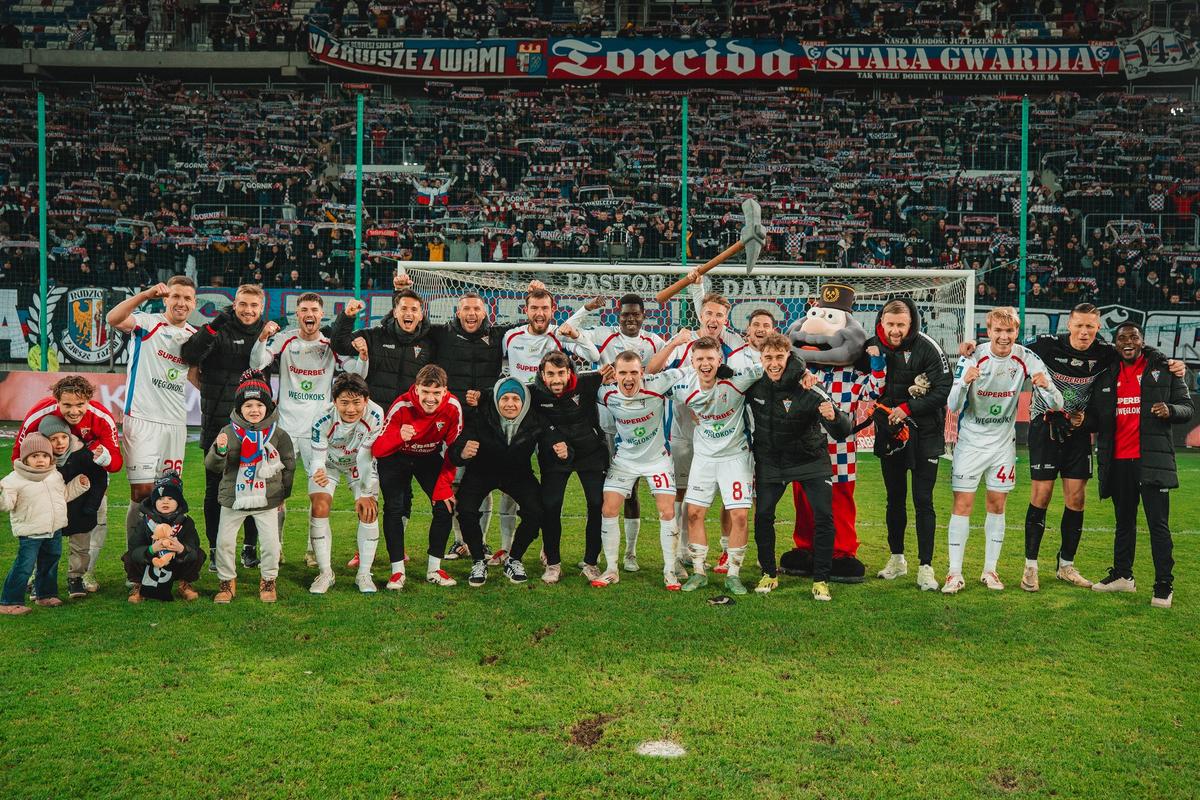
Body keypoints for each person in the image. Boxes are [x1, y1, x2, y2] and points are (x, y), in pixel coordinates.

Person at [957, 304, 1185, 593]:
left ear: (1098, 328)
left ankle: (1066, 565)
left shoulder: (1104, 351)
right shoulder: (1046, 345)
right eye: (1079, 325)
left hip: (1078, 431)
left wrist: (1169, 362)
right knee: (1041, 495)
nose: (1084, 332)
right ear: (1069, 324)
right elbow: (1006, 343)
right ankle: (1031, 566)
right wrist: (974, 346)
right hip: (1045, 427)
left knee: (1076, 500)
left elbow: (1135, 347)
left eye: (1090, 326)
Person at [942, 307, 1062, 594]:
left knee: (997, 505)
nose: (1004, 337)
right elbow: (953, 405)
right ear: (989, 331)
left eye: (1009, 331)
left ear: (1016, 333)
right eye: (998, 331)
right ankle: (954, 573)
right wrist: (964, 383)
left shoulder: (1027, 358)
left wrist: (1045, 387)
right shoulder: (971, 356)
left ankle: (990, 570)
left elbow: (1057, 403)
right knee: (963, 505)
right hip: (970, 442)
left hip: (1002, 445)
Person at [250, 291, 365, 571]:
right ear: (297, 314)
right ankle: (275, 549)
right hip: (285, 429)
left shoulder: (330, 344)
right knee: (276, 494)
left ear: (321, 315)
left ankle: (313, 550)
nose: (309, 314)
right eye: (303, 309)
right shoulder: (285, 339)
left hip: (319, 434)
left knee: (319, 495)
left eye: (313, 309)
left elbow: (356, 373)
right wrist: (263, 338)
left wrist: (363, 355)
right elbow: (257, 363)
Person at [1086, 322, 1193, 608]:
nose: (1128, 342)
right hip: (1119, 461)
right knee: (1124, 523)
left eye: (1133, 337)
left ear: (1142, 341)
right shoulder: (1107, 374)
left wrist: (1170, 410)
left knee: (1158, 525)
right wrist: (1081, 421)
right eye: (1122, 338)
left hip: (1151, 462)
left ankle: (1163, 585)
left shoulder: (1164, 369)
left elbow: (1187, 407)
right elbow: (1099, 417)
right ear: (1116, 344)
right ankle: (1123, 576)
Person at [566, 293, 667, 572]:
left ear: (644, 316)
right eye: (625, 315)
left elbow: (668, 368)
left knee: (633, 492)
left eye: (636, 314)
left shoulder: (655, 343)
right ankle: (596, 554)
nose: (630, 319)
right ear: (618, 316)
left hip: (638, 429)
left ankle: (631, 554)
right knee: (606, 494)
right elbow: (567, 332)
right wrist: (585, 308)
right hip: (605, 428)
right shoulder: (604, 336)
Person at [746, 334, 850, 598]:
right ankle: (769, 573)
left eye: (779, 357)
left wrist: (835, 416)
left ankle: (821, 580)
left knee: (824, 516)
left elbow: (841, 430)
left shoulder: (809, 387)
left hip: (810, 460)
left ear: (788, 357)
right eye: (768, 358)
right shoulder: (754, 386)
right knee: (763, 515)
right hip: (772, 461)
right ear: (761, 359)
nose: (774, 364)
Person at [105, 277, 197, 571]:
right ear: (166, 298)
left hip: (175, 424)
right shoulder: (148, 322)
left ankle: (165, 559)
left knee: (169, 493)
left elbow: (197, 378)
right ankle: (135, 558)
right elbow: (113, 318)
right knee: (142, 494)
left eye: (188, 299)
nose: (181, 303)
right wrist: (144, 294)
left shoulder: (193, 337)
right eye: (177, 297)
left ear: (194, 304)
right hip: (142, 419)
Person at [182, 283, 268, 571]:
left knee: (256, 486)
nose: (248, 310)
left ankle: (248, 547)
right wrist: (217, 321)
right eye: (243, 304)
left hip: (255, 426)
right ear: (234, 304)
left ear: (262, 308)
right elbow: (190, 355)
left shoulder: (265, 334)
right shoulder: (219, 328)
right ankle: (217, 548)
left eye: (254, 306)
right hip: (217, 423)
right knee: (215, 489)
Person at [449, 378, 567, 586]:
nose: (510, 404)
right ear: (496, 400)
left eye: (515, 398)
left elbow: (553, 437)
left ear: (524, 402)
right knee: (466, 509)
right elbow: (456, 450)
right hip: (481, 471)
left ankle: (514, 559)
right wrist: (463, 453)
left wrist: (564, 449)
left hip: (517, 473)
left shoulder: (535, 419)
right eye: (504, 398)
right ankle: (478, 559)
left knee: (537, 511)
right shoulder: (479, 416)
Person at [869, 297, 952, 591]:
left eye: (900, 325)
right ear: (882, 323)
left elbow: (943, 389)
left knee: (923, 501)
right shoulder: (873, 346)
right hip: (890, 434)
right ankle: (897, 559)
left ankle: (926, 567)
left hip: (925, 435)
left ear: (911, 323)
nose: (894, 330)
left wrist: (908, 408)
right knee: (894, 499)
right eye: (890, 324)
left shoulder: (928, 347)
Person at [13, 376, 121, 594]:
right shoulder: (39, 415)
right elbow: (18, 454)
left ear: (89, 400)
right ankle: (38, 576)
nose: (74, 411)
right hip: (47, 480)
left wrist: (103, 457)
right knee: (41, 528)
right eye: (67, 405)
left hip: (88, 479)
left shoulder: (101, 417)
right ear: (57, 401)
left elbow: (116, 463)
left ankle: (83, 574)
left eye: (80, 405)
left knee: (94, 520)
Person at [677, 337, 763, 595]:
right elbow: (646, 377)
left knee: (739, 516)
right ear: (692, 362)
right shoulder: (681, 384)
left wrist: (803, 372)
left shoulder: (738, 380)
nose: (705, 364)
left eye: (710, 359)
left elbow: (774, 365)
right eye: (700, 359)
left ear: (719, 361)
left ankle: (734, 574)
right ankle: (699, 572)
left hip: (735, 457)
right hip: (703, 459)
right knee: (693, 514)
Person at [205, 370, 296, 604]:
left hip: (267, 499)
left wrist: (283, 494)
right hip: (233, 498)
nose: (254, 410)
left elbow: (288, 466)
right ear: (239, 408)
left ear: (268, 407)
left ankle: (268, 581)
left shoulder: (279, 434)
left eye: (259, 405)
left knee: (270, 544)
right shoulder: (227, 432)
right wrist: (220, 451)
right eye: (248, 405)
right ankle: (226, 582)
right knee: (224, 542)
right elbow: (213, 466)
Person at [597, 350, 686, 589]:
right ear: (614, 374)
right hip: (624, 460)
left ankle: (669, 570)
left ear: (642, 373)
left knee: (667, 511)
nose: (629, 378)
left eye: (634, 372)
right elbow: (575, 386)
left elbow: (691, 369)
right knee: (608, 508)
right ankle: (611, 569)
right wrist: (596, 376)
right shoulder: (605, 392)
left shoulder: (658, 384)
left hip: (657, 459)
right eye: (623, 373)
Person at [370, 364, 462, 590]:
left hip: (428, 457)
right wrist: (398, 436)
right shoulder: (401, 405)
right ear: (417, 389)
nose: (430, 399)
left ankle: (434, 569)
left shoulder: (452, 407)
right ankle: (397, 572)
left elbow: (454, 452)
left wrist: (444, 485)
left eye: (436, 393)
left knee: (444, 506)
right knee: (395, 508)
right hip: (396, 457)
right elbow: (378, 450)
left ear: (445, 391)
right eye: (426, 392)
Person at [524, 351, 610, 583]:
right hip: (556, 455)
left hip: (590, 453)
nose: (556, 380)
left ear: (570, 372)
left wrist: (611, 373)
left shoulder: (587, 382)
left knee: (596, 504)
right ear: (542, 374)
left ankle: (591, 562)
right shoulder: (533, 393)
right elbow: (506, 392)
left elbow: (613, 372)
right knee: (551, 506)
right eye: (550, 374)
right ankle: (553, 564)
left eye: (561, 373)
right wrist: (479, 396)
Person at [307, 373, 383, 594]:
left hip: (360, 465)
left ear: (366, 400)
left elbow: (367, 457)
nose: (351, 409)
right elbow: (318, 457)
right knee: (319, 506)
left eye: (357, 402)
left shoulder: (376, 415)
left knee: (369, 510)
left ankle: (364, 574)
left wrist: (367, 492)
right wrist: (318, 471)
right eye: (345, 402)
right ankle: (325, 573)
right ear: (334, 401)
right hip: (329, 464)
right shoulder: (321, 417)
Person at [0, 433, 90, 615]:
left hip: (53, 531)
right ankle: (9, 601)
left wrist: (78, 485)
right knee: (23, 566)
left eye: (45, 456)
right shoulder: (13, 479)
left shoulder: (53, 475)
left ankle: (45, 595)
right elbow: (6, 505)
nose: (40, 460)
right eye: (34, 456)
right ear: (25, 459)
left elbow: (62, 496)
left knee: (49, 564)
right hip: (31, 533)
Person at [331, 288, 435, 411]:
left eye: (414, 309)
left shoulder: (428, 344)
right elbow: (340, 345)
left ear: (421, 316)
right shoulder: (374, 336)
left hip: (407, 418)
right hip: (374, 416)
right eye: (404, 308)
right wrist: (347, 317)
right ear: (395, 313)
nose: (409, 313)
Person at [38, 416, 107, 600]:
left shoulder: (84, 455)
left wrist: (91, 506)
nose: (59, 442)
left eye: (63, 437)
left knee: (80, 547)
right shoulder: (40, 458)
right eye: (53, 439)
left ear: (69, 436)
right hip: (51, 513)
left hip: (81, 510)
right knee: (46, 547)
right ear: (45, 441)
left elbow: (99, 480)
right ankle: (40, 580)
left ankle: (75, 578)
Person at [123, 473, 204, 603]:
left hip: (175, 562)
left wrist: (182, 549)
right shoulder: (145, 521)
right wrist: (151, 549)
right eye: (160, 499)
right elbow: (134, 549)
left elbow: (194, 547)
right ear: (154, 502)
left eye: (171, 498)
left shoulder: (186, 522)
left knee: (199, 554)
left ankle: (185, 584)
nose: (165, 501)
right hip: (151, 562)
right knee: (129, 557)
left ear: (179, 502)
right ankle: (139, 586)